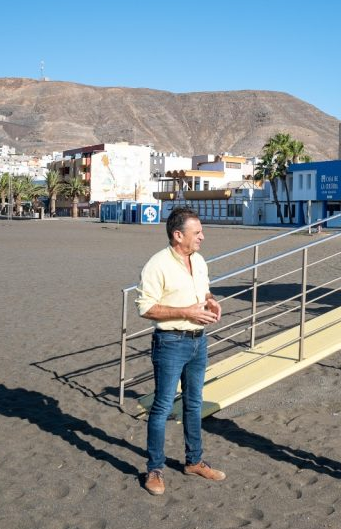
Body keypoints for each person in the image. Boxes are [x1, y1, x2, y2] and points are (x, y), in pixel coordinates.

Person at [136, 207, 225, 496]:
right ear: (178, 235)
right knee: (162, 407)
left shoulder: (198, 261)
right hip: (171, 343)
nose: (203, 236)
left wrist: (211, 301)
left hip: (199, 341)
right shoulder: (156, 265)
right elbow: (146, 308)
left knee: (194, 403)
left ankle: (194, 461)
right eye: (196, 232)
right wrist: (185, 312)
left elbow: (205, 290)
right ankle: (155, 469)